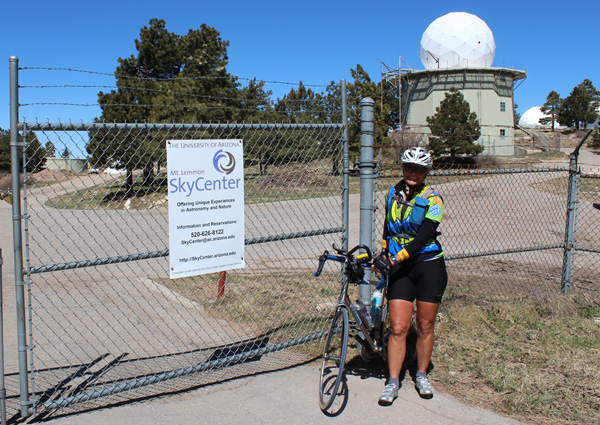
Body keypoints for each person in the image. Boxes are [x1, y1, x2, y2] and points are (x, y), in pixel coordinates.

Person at [374, 146, 448, 405]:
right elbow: (387, 228)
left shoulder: (434, 199)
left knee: (425, 325)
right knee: (398, 328)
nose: (413, 172)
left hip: (428, 265)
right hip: (399, 268)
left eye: (419, 169)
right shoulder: (391, 193)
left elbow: (424, 236)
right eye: (409, 167)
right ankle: (393, 381)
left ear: (427, 171)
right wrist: (384, 253)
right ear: (402, 168)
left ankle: (421, 374)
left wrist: (396, 258)